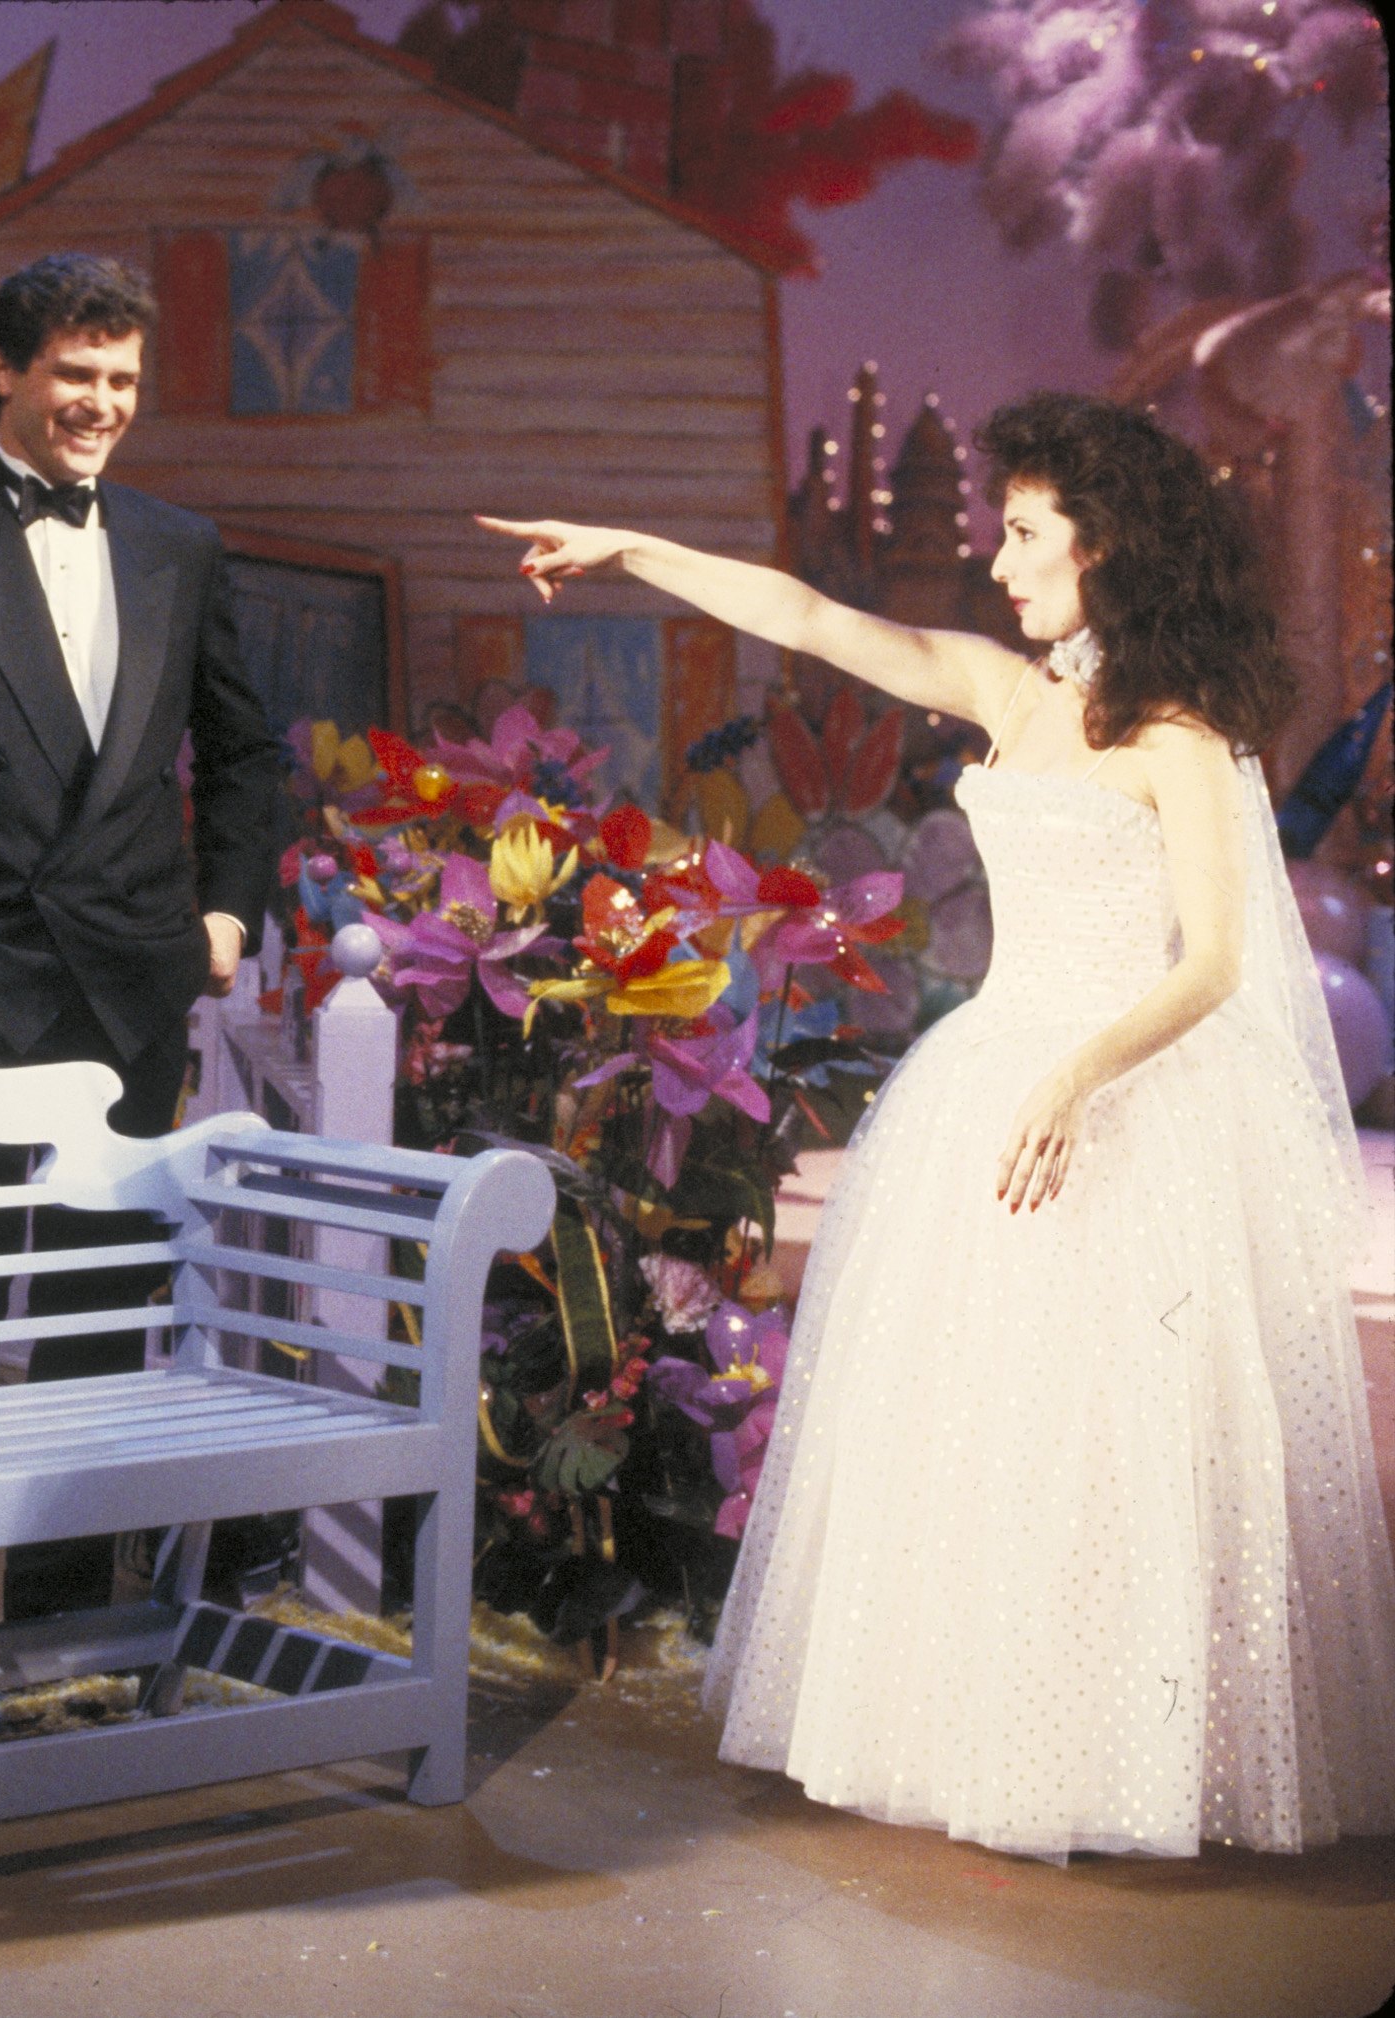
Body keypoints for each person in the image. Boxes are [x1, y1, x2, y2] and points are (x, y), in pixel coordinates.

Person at [479, 390, 1395, 1859]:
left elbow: (1217, 962)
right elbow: (808, 612)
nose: (1004, 560)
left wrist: (1082, 1073)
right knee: (975, 1428)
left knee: (1113, 1438)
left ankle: (1120, 1758)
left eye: (1029, 533)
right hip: (986, 1087)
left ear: (1109, 551)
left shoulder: (1180, 736)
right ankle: (974, 1734)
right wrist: (630, 546)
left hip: (1115, 1093)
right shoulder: (1006, 689)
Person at [0, 253, 284, 1632]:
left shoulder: (177, 543)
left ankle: (65, 1630)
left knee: (96, 1314)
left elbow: (245, 753)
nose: (102, 403)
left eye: (124, 379)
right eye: (76, 372)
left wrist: (225, 911)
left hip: (131, 978)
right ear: (6, 370)